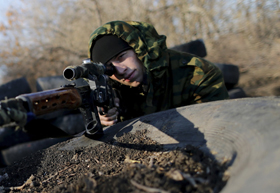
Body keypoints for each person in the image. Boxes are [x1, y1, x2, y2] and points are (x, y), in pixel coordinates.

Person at [88, 20, 229, 126]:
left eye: (122, 57)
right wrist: (104, 119)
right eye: (109, 68)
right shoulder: (112, 90)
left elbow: (218, 126)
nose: (120, 70)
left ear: (139, 50)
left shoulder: (197, 73)